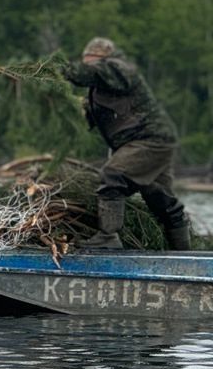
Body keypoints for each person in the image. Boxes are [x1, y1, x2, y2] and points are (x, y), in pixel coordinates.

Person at [63, 37, 190, 250]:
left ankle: (108, 236)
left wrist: (57, 70)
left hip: (149, 141)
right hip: (157, 142)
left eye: (89, 61)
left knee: (113, 174)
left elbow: (88, 74)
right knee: (160, 198)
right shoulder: (104, 85)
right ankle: (185, 254)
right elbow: (91, 116)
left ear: (100, 58)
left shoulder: (118, 68)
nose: (86, 65)